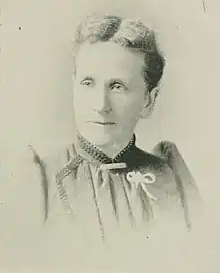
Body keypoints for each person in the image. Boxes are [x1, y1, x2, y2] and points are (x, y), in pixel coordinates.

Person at [30, 13, 202, 245]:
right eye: (88, 83)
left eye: (117, 86)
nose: (101, 105)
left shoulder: (171, 177)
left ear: (148, 101)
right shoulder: (41, 179)